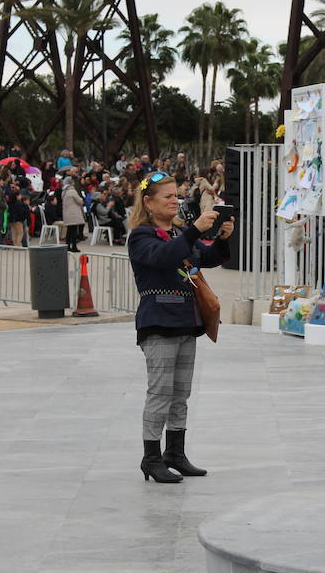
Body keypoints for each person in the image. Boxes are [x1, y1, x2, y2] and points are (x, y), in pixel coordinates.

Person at [127, 171, 235, 483]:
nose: (175, 200)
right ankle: (151, 457)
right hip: (158, 322)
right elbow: (163, 258)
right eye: (168, 197)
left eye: (176, 195)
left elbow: (205, 257)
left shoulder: (178, 235)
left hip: (187, 322)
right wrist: (192, 231)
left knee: (180, 393)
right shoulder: (141, 236)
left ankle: (175, 452)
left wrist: (222, 237)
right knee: (159, 392)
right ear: (148, 203)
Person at [61, 176, 85, 252]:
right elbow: (79, 201)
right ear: (71, 183)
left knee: (69, 230)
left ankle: (67, 246)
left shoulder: (64, 191)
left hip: (67, 214)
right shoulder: (72, 191)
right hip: (74, 214)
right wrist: (81, 199)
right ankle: (74, 246)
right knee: (74, 231)